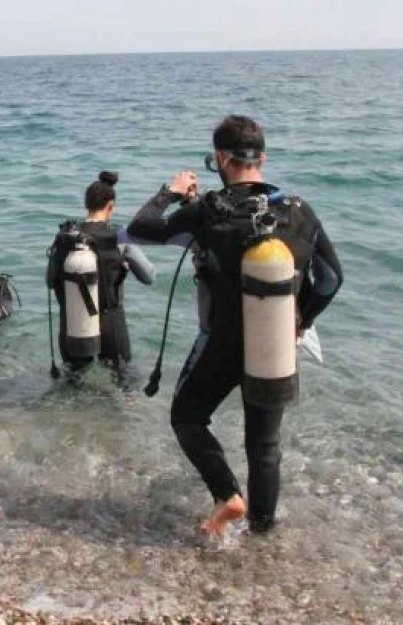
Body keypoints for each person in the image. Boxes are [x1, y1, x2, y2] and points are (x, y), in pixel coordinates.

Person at [127, 116, 343, 536]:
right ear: (261, 157)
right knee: (264, 447)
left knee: (188, 417)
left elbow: (139, 229)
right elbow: (332, 279)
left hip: (221, 342)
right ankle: (263, 535)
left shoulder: (208, 209)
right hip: (275, 342)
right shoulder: (298, 210)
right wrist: (303, 319)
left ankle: (228, 496)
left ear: (221, 159)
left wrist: (168, 193)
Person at [46, 171, 154, 381]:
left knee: (72, 382)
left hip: (73, 322)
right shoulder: (119, 237)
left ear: (86, 204)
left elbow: (49, 282)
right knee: (124, 383)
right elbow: (149, 277)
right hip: (110, 322)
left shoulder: (65, 238)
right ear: (111, 206)